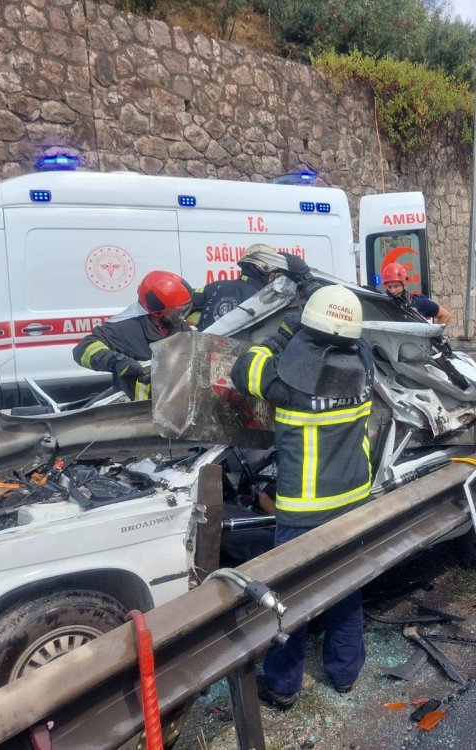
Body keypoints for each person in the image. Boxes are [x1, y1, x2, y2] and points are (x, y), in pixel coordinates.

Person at [230, 284, 374, 709]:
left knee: (287, 603)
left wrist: (283, 332)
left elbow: (244, 369)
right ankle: (345, 673)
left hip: (304, 511)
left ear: (309, 327)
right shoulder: (364, 361)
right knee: (346, 589)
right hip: (353, 500)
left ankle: (282, 685)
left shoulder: (287, 378)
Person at [73, 270, 193, 399]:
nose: (182, 314)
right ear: (159, 308)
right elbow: (82, 349)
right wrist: (118, 362)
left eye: (184, 308)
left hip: (173, 403)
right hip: (139, 407)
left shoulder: (177, 325)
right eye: (178, 310)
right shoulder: (125, 328)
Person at [189, 244, 311, 329]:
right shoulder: (266, 298)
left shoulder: (215, 287)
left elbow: (185, 305)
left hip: (205, 352)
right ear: (265, 267)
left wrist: (204, 323)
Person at [380, 262, 452, 324]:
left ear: (405, 285)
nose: (392, 290)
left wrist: (433, 335)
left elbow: (445, 315)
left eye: (396, 286)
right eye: (389, 287)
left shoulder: (419, 302)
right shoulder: (382, 305)